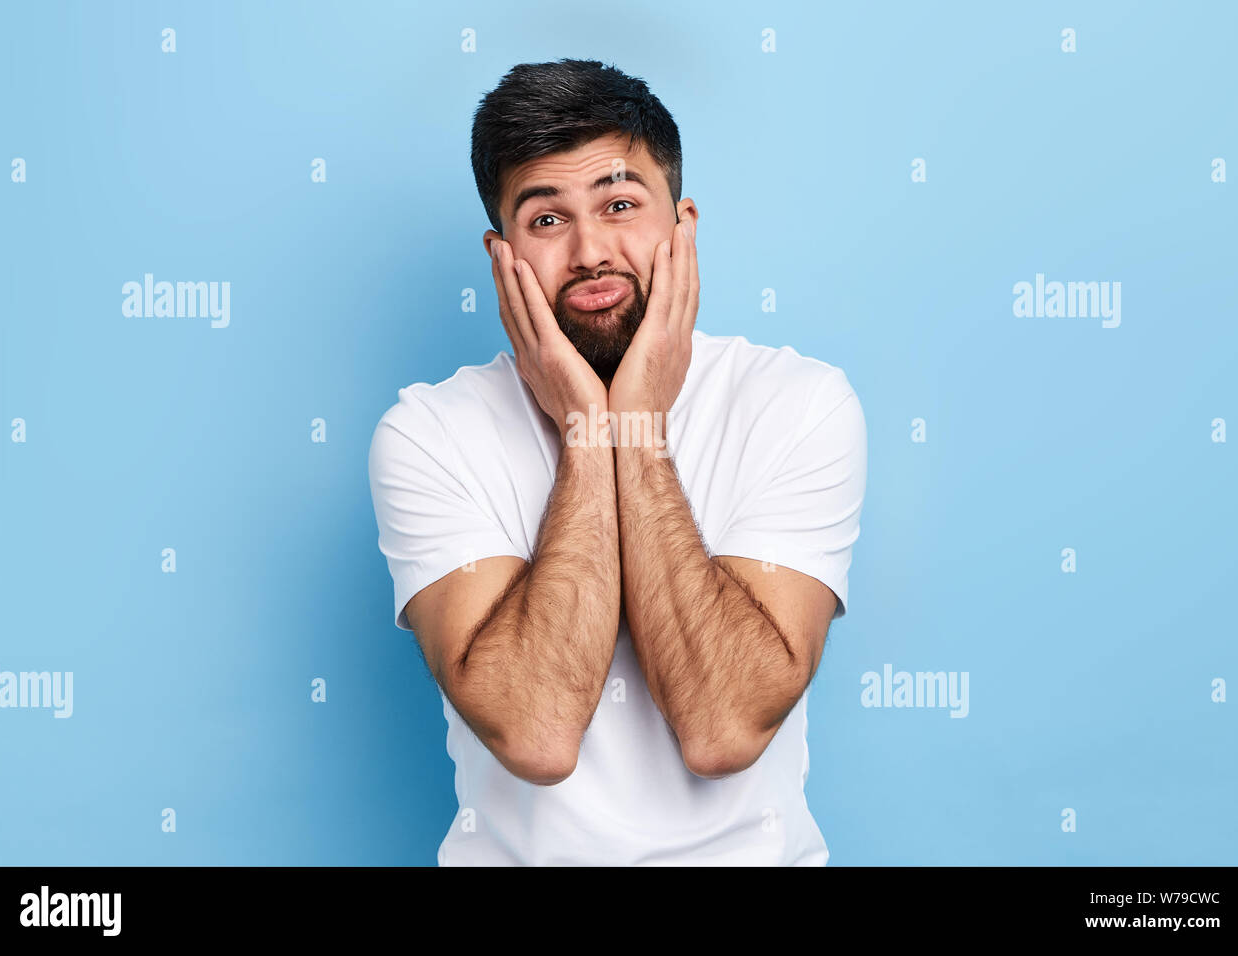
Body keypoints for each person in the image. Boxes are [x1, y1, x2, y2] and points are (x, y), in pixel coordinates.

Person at [367, 58, 867, 865]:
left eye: (621, 205)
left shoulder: (799, 403)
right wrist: (590, 432)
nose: (592, 251)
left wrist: (633, 424)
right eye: (546, 220)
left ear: (684, 226)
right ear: (502, 256)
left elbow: (724, 727)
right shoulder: (429, 431)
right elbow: (536, 734)